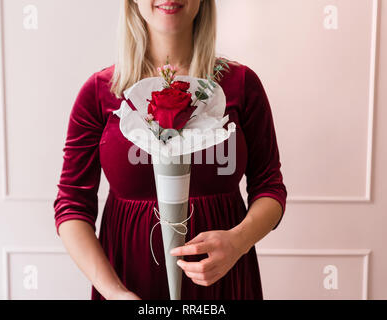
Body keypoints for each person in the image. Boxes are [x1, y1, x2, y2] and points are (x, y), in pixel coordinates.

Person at [53, 0, 287, 300]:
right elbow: (71, 204)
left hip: (223, 282)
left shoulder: (242, 84)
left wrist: (237, 242)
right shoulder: (99, 92)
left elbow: (269, 187)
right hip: (128, 279)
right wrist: (115, 293)